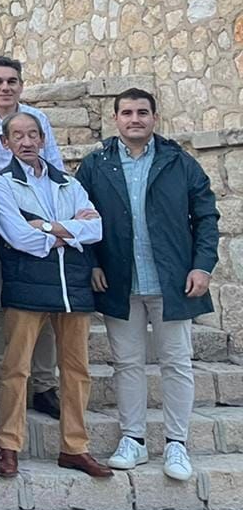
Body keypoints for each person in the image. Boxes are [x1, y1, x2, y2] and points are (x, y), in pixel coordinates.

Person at [81, 88, 218, 483]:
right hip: (119, 280)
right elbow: (78, 216)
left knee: (176, 362)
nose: (135, 119)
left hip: (172, 281)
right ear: (116, 119)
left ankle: (177, 443)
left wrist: (202, 267)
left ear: (155, 117)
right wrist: (91, 264)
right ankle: (133, 439)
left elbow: (206, 217)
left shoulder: (179, 162)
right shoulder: (96, 165)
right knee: (126, 363)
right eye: (127, 113)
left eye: (142, 112)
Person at [0, 112, 110, 480]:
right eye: (17, 136)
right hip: (27, 286)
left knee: (77, 371)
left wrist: (46, 227)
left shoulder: (69, 183)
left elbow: (96, 229)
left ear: (43, 139)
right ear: (5, 142)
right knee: (15, 369)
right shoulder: (2, 184)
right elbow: (17, 237)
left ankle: (75, 448)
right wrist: (71, 232)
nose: (26, 142)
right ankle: (8, 446)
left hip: (73, 287)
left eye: (32, 135)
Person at [0, 56, 65, 421]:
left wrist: (58, 221)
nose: (5, 87)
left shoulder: (38, 120)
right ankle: (1, 386)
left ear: (21, 85)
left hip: (37, 211)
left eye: (12, 81)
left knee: (44, 301)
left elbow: (55, 169)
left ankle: (44, 385)